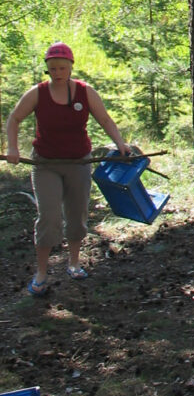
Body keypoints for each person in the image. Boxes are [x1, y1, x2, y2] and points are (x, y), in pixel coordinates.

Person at [4, 41, 131, 296]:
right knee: (49, 217)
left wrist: (120, 143)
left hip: (78, 162)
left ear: (71, 67)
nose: (58, 73)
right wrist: (13, 149)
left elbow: (105, 119)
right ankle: (41, 273)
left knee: (76, 215)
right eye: (53, 69)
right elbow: (14, 118)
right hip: (46, 163)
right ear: (47, 70)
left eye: (62, 68)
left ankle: (74, 263)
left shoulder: (85, 92)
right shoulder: (38, 93)